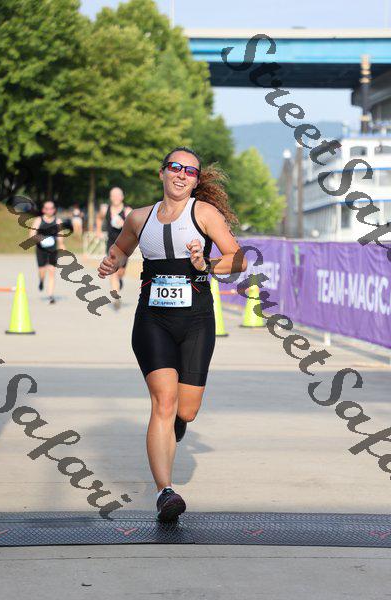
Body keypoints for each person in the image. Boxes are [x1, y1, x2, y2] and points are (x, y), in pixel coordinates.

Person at [97, 147, 246, 522]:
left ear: (196, 181)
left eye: (190, 171)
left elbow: (238, 259)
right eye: (175, 167)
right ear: (162, 172)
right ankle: (165, 493)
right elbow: (121, 247)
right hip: (153, 321)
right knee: (163, 402)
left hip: (196, 321)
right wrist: (112, 261)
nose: (182, 175)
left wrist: (206, 262)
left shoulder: (204, 214)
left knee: (186, 410)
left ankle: (179, 422)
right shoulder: (138, 217)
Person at [96, 187, 132, 308]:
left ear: (122, 197)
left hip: (125, 245)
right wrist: (98, 231)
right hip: (111, 244)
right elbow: (99, 218)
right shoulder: (105, 209)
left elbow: (134, 226)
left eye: (118, 195)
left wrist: (124, 224)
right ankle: (116, 297)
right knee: (113, 271)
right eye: (113, 195)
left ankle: (120, 280)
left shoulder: (127, 211)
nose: (115, 198)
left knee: (121, 271)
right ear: (110, 197)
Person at [31, 200, 65, 304]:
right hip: (41, 250)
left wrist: (61, 244)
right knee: (42, 271)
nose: (49, 210)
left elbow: (60, 236)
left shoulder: (57, 221)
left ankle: (50, 296)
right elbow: (32, 234)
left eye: (51, 208)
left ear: (54, 210)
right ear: (43, 210)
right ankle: (41, 280)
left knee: (51, 271)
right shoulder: (38, 220)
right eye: (47, 208)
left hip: (52, 250)